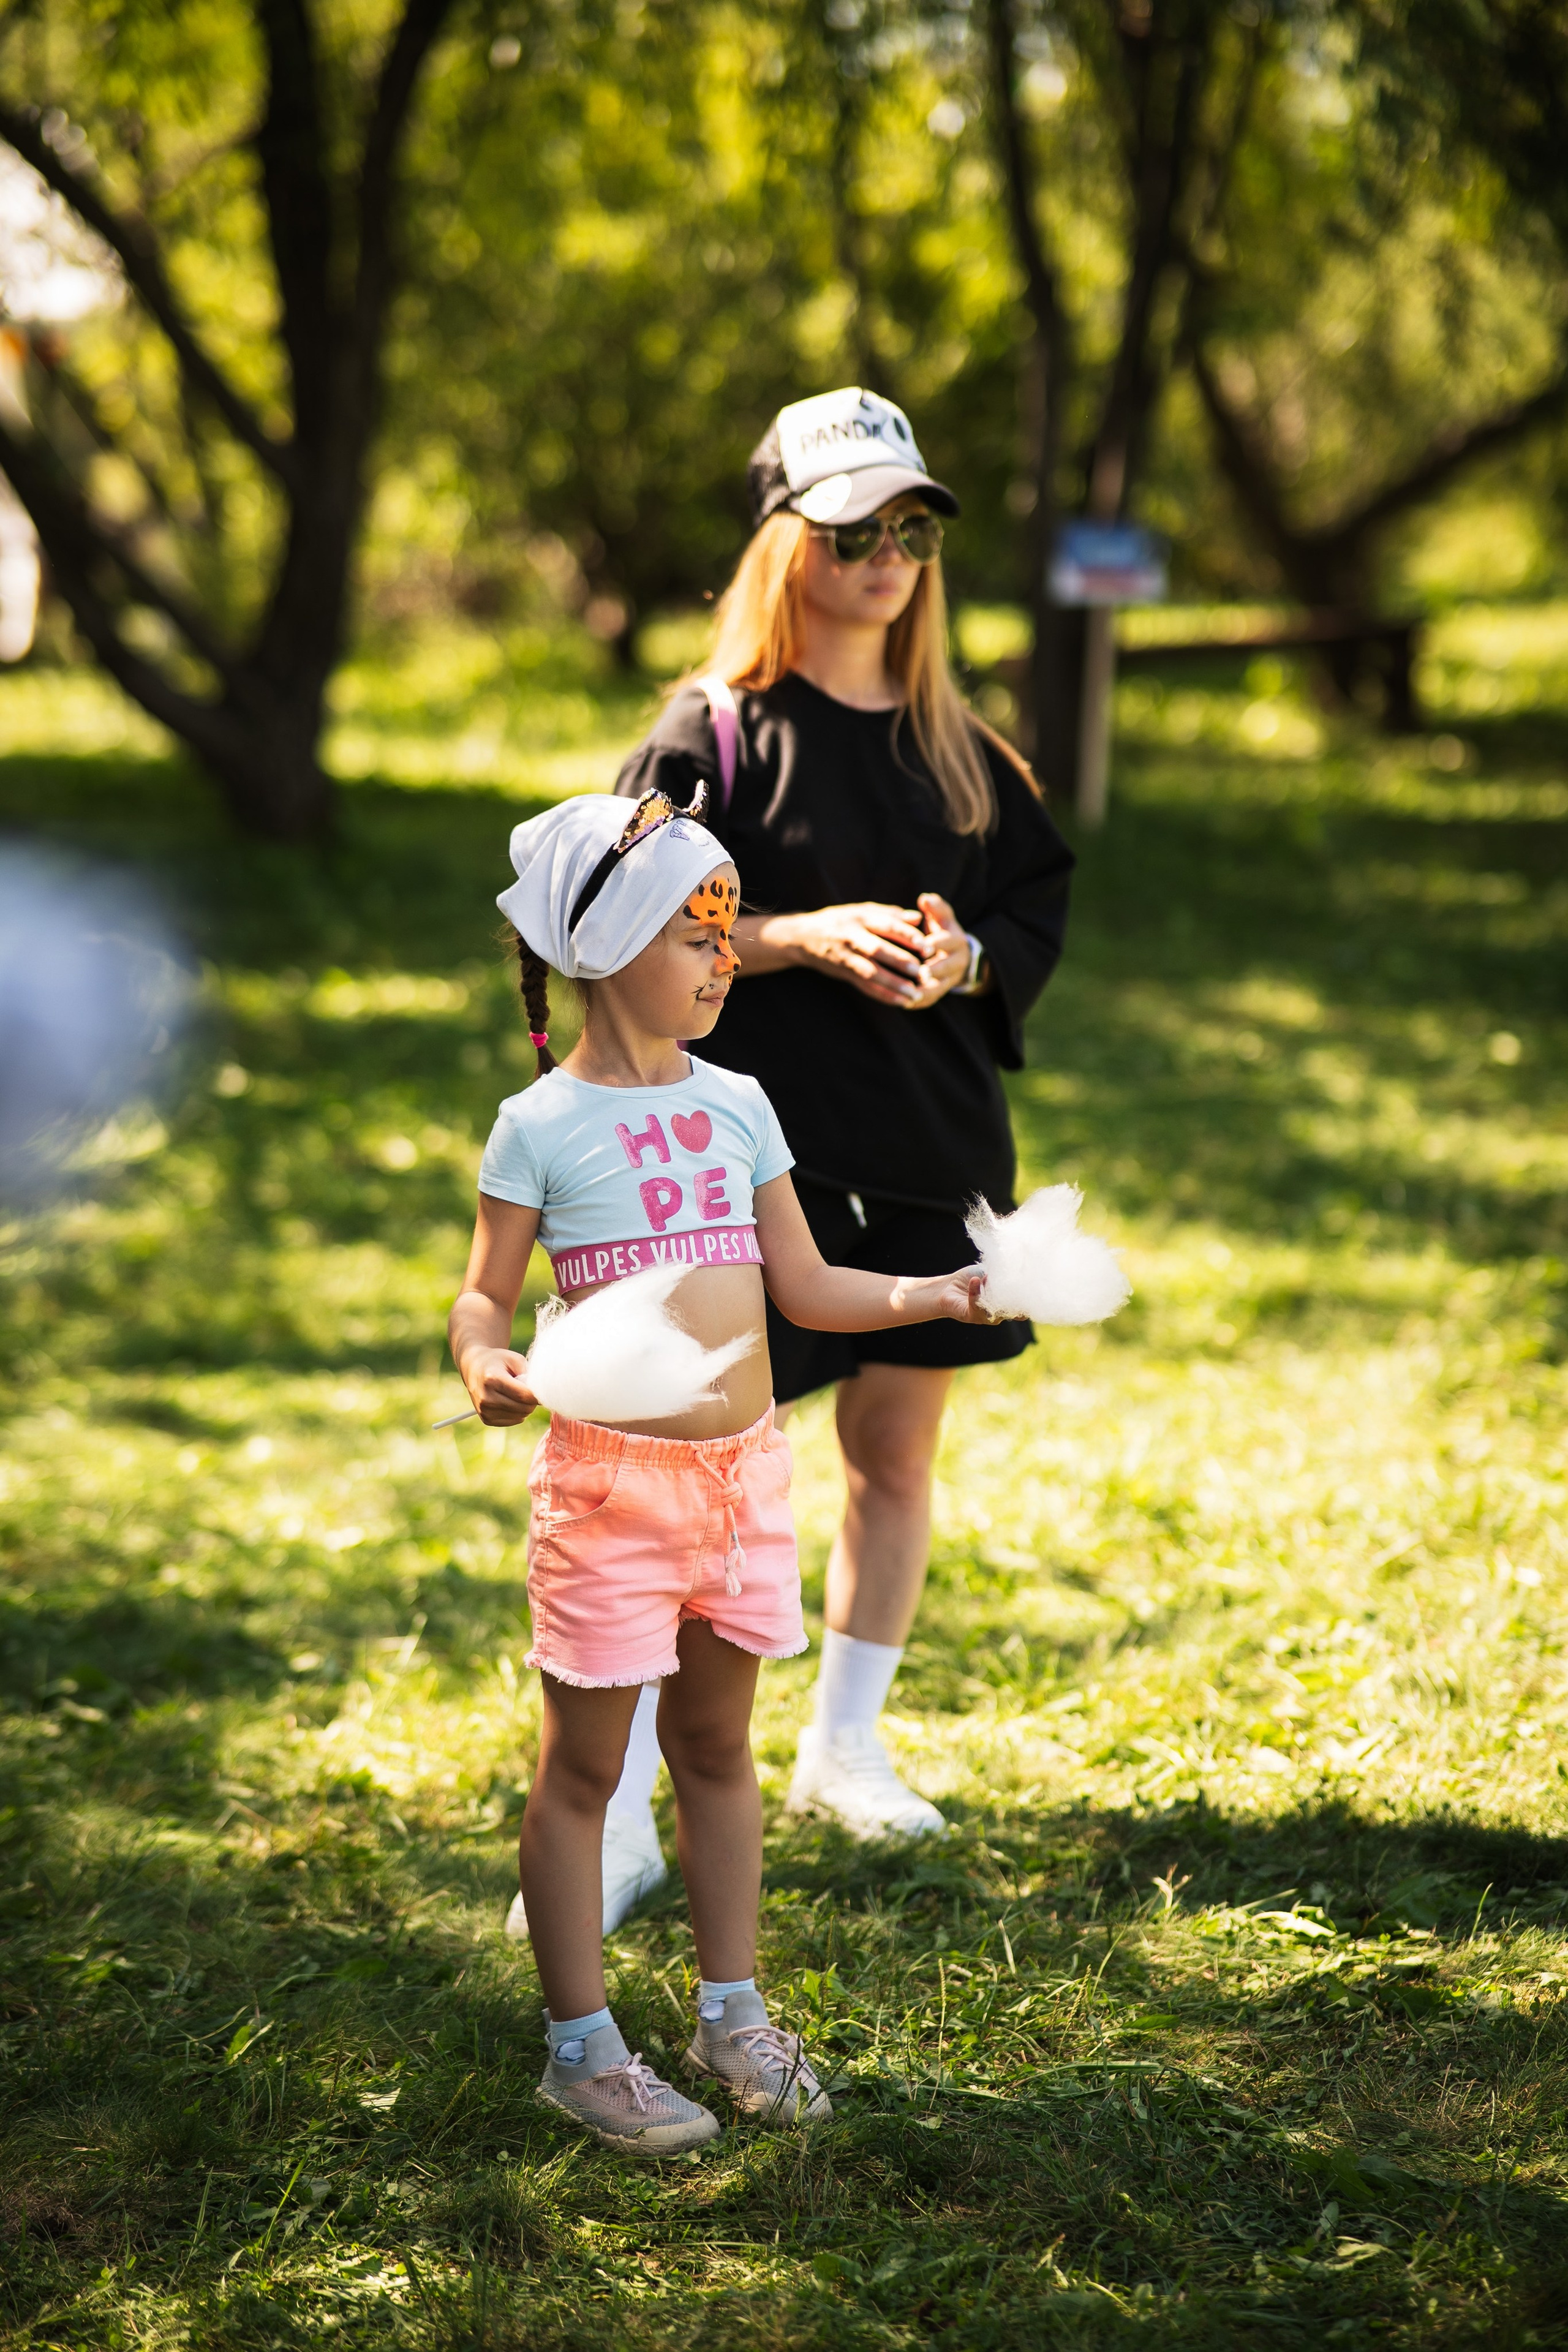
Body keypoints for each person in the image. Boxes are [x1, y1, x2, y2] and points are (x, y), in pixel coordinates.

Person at [449, 783, 1003, 2155]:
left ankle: (730, 2018)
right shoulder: (539, 1125)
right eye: (696, 936)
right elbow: (482, 1296)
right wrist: (486, 1363)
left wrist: (931, 1293)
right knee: (584, 1772)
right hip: (608, 1493)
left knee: (716, 1750)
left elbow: (804, 1286)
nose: (722, 959)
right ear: (605, 947)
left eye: (723, 935)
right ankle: (581, 2050)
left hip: (740, 1487)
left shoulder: (741, 1103)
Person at [600, 386, 1074, 1856]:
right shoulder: (710, 734)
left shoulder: (962, 747)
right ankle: (622, 1797)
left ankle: (844, 1749)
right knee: (696, 1475)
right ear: (782, 539)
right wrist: (790, 938)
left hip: (929, 1152)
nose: (886, 558)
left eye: (912, 530)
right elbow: (616, 928)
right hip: (743, 1172)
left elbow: (1029, 907)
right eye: (853, 528)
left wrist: (967, 959)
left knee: (893, 1454)